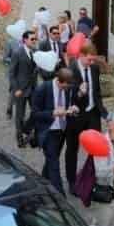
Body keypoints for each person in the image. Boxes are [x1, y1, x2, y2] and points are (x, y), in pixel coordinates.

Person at [66, 43, 108, 194]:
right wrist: (79, 94)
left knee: (96, 149)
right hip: (76, 115)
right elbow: (68, 98)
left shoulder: (94, 69)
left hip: (92, 114)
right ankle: (72, 181)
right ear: (81, 56)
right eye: (89, 60)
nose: (91, 63)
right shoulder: (70, 70)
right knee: (72, 149)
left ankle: (89, 178)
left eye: (93, 60)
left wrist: (104, 113)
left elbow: (97, 93)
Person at [32, 66, 74, 194]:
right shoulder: (43, 88)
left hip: (61, 130)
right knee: (54, 164)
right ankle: (60, 196)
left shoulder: (67, 89)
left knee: (51, 160)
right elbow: (35, 114)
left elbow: (68, 104)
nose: (66, 89)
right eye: (65, 86)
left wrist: (71, 109)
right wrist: (53, 113)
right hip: (48, 131)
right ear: (59, 81)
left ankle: (41, 183)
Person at [10, 29, 39, 148]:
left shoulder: (36, 52)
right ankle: (20, 138)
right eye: (32, 39)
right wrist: (16, 89)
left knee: (36, 113)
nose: (34, 41)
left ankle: (27, 130)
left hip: (33, 88)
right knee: (20, 115)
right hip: (20, 90)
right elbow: (11, 73)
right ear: (25, 40)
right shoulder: (17, 53)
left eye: (35, 39)